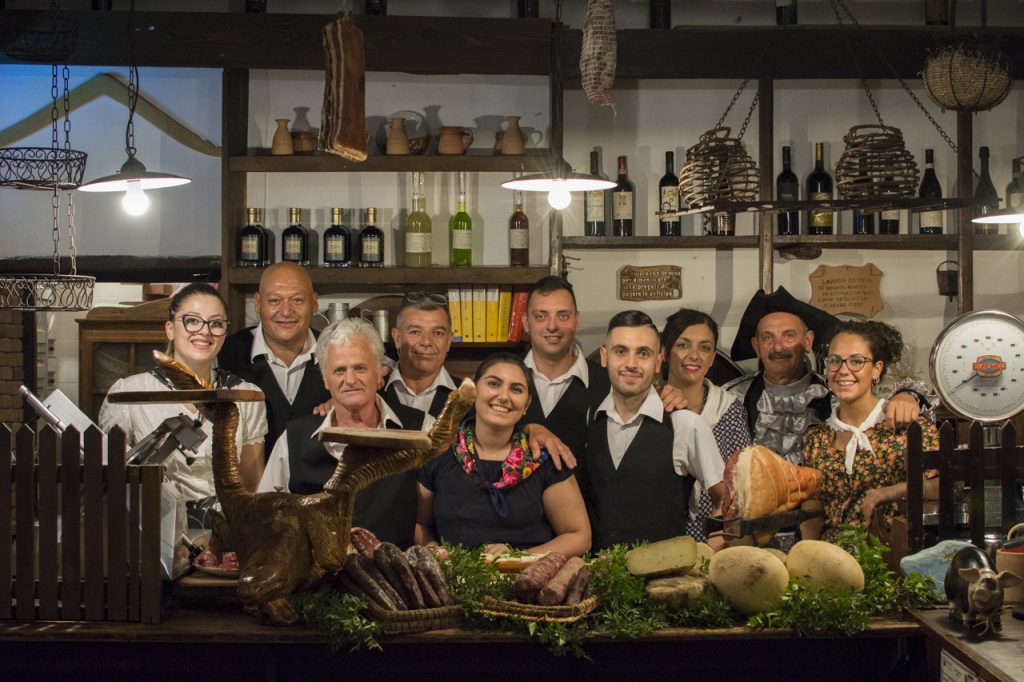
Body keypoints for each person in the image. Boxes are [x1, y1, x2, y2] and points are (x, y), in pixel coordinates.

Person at [257, 317, 423, 547]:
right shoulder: (292, 439)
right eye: (339, 370)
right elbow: (264, 520)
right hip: (315, 580)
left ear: (379, 374)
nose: (350, 380)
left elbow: (433, 519)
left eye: (360, 368)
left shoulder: (419, 429)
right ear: (325, 380)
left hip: (393, 578)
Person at [414, 353, 591, 557]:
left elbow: (579, 536)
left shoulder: (543, 458)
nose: (504, 396)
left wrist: (517, 559)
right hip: (450, 580)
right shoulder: (439, 452)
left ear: (526, 404)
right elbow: (419, 523)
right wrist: (435, 552)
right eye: (494, 384)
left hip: (528, 581)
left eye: (516, 389)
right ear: (473, 391)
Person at [99, 283, 267, 497]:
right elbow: (111, 483)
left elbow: (253, 486)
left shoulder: (245, 394)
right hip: (156, 524)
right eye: (192, 321)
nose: (205, 331)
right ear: (170, 329)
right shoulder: (130, 394)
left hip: (226, 524)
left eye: (216, 323)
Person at [725, 286, 925, 464]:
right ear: (756, 346)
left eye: (789, 335)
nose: (778, 347)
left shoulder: (836, 390)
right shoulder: (733, 397)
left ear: (808, 341)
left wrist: (908, 394)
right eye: (767, 338)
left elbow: (878, 401)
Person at [580, 310, 726, 551]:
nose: (631, 364)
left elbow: (725, 499)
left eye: (643, 353)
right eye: (621, 351)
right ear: (605, 356)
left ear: (658, 361)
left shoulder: (686, 425)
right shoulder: (590, 417)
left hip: (664, 581)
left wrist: (710, 554)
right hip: (599, 575)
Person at [800, 321, 939, 543]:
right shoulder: (816, 439)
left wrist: (893, 491)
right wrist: (807, 555)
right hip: (833, 561)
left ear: (877, 369)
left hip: (893, 557)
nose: (843, 370)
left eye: (856, 361)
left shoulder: (909, 428)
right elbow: (813, 510)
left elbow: (942, 487)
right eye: (835, 361)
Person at [218, 262, 327, 456]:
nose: (286, 311)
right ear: (258, 303)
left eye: (297, 300)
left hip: (324, 484)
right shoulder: (225, 355)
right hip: (250, 484)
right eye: (275, 301)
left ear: (315, 301)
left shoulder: (336, 351)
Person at [662, 308, 752, 542]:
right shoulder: (650, 406)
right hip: (660, 534)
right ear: (665, 352)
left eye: (704, 347)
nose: (694, 355)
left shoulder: (728, 408)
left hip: (714, 537)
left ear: (712, 358)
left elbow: (742, 482)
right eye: (683, 345)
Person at [521, 276, 610, 463]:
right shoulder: (500, 379)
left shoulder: (608, 384)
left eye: (563, 316)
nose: (552, 326)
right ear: (526, 323)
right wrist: (527, 428)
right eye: (541, 316)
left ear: (576, 320)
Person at [384, 291, 459, 430]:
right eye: (415, 332)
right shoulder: (371, 393)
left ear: (449, 341)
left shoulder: (470, 400)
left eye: (438, 333)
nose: (426, 342)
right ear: (397, 338)